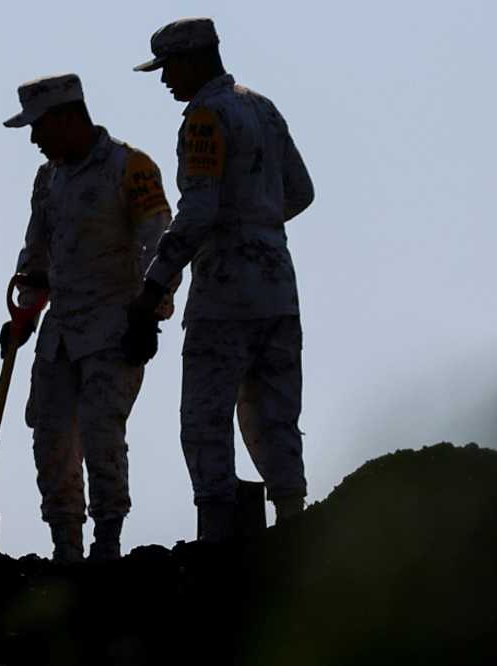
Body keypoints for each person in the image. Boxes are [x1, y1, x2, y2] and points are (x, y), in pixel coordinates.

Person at [128, 18, 315, 542]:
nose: (166, 80)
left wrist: (153, 286)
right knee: (275, 413)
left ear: (192, 59)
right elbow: (300, 192)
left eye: (168, 68)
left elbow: (197, 212)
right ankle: (294, 525)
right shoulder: (262, 106)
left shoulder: (205, 117)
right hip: (278, 285)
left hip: (225, 293)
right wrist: (257, 223)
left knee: (206, 417)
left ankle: (217, 536)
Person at [1, 73, 178, 562]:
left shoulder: (130, 166)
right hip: (60, 333)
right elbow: (37, 253)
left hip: (114, 325)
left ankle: (107, 543)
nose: (34, 139)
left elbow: (158, 243)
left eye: (38, 127)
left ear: (66, 117)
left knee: (102, 433)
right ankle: (66, 547)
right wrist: (26, 313)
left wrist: (151, 311)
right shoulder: (48, 178)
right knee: (51, 436)